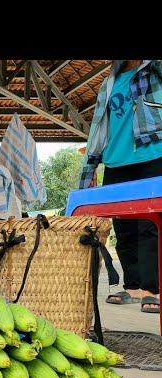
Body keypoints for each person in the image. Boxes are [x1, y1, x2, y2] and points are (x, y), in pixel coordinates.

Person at [81, 60, 162, 314]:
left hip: (151, 156)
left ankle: (152, 288)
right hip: (116, 161)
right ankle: (133, 286)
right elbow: (98, 127)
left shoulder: (155, 70)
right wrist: (90, 166)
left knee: (149, 225)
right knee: (123, 227)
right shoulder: (109, 83)